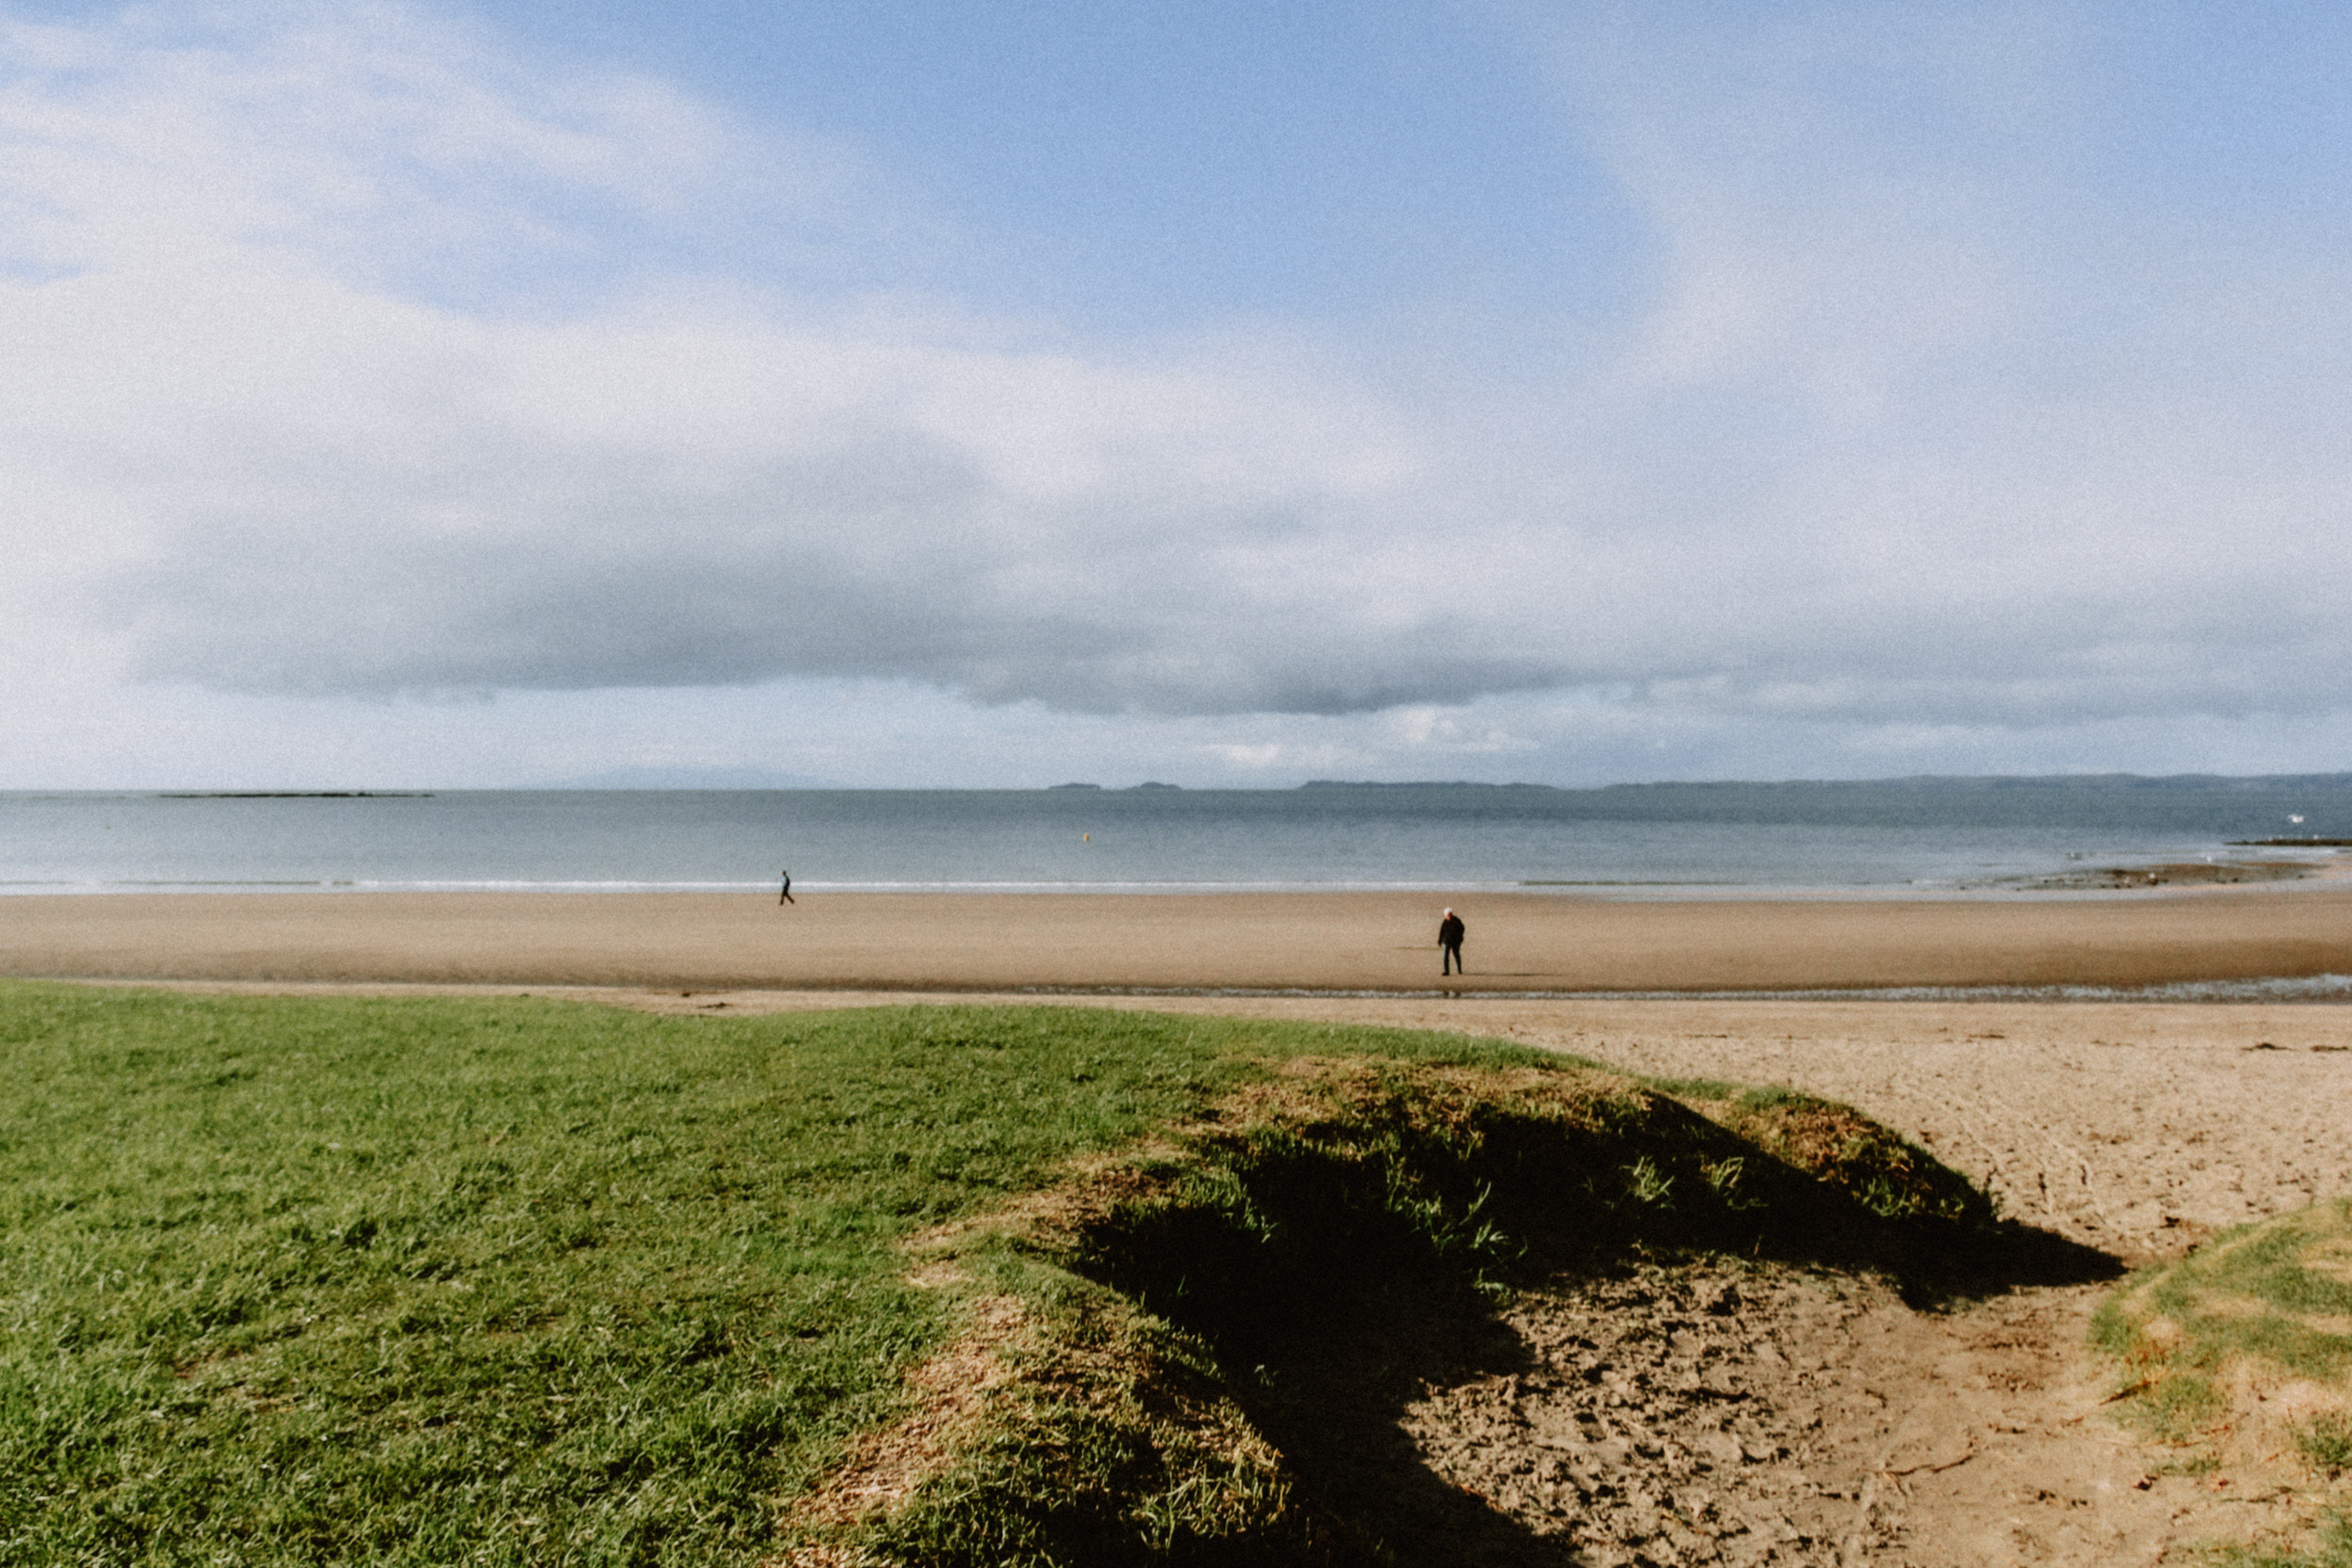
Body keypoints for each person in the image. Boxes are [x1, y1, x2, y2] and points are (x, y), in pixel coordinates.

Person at [1438, 907, 1465, 975]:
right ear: (1446, 915)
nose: (1449, 916)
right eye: (1448, 915)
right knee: (1445, 956)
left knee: (1456, 955)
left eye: (1450, 914)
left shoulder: (1457, 920)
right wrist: (1440, 940)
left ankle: (1459, 969)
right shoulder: (1445, 922)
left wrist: (1459, 937)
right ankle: (1446, 971)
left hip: (1456, 941)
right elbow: (1442, 932)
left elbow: (1462, 928)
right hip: (1447, 941)